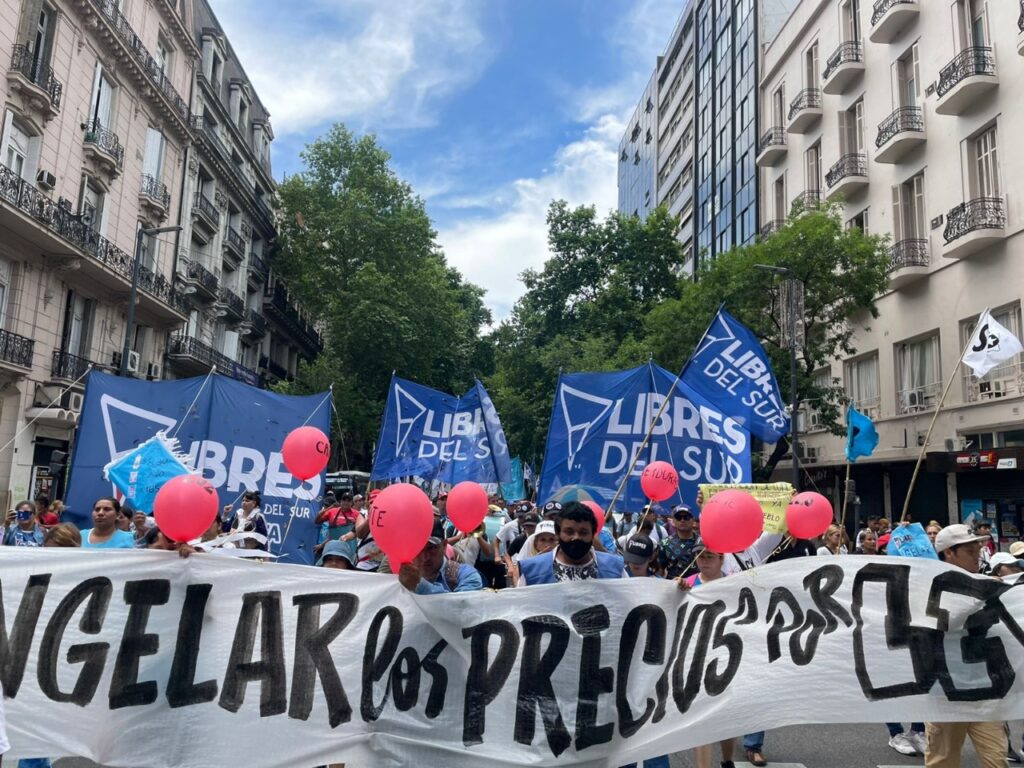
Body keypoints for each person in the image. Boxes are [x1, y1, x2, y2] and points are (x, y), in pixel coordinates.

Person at [925, 524, 1008, 768]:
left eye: (979, 548)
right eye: (971, 550)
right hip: (945, 692)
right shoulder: (926, 585)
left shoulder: (986, 582)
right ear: (949, 552)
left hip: (985, 688)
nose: (978, 554)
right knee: (943, 762)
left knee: (997, 760)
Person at [679, 549, 738, 768]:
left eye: (709, 557)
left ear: (722, 559)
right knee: (700, 719)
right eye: (700, 556)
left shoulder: (733, 583)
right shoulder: (687, 583)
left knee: (726, 718)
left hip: (726, 658)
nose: (703, 561)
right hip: (695, 659)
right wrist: (676, 589)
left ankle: (727, 760)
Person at [518, 501, 625, 585]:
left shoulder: (615, 570)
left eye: (583, 532)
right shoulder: (532, 572)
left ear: (593, 535)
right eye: (569, 532)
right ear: (557, 534)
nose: (576, 537)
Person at [397, 521, 484, 594]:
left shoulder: (467, 575)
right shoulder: (399, 573)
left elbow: (461, 606)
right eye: (418, 549)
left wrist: (419, 585)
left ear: (445, 545)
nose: (425, 557)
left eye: (432, 548)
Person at [658, 503, 701, 578]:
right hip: (674, 587)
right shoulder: (665, 543)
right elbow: (660, 571)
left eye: (686, 517)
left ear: (693, 520)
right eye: (678, 517)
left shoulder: (702, 542)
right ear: (673, 521)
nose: (682, 520)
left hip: (697, 587)